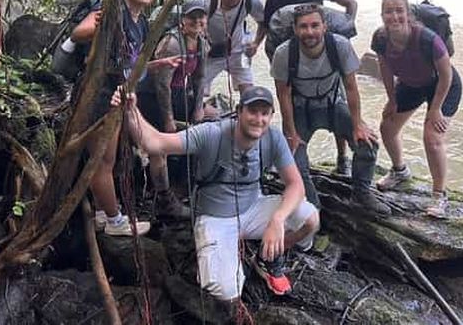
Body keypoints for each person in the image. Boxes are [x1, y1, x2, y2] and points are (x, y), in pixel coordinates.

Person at [113, 85, 320, 306]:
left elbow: (296, 185)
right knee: (225, 292)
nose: (258, 119)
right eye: (252, 111)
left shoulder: (273, 138)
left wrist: (277, 220)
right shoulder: (211, 134)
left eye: (264, 113)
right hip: (215, 217)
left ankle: (268, 256)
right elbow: (155, 142)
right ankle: (224, 256)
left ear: (271, 116)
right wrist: (130, 110)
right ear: (239, 111)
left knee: (310, 219)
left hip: (254, 208)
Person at [71, 0, 181, 235]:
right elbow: (78, 33)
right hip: (100, 96)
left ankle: (99, 213)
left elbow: (133, 64)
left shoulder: (141, 22)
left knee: (107, 160)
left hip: (118, 95)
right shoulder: (114, 12)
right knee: (102, 161)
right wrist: (104, 26)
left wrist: (158, 63)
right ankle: (115, 221)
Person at [271, 4, 389, 215]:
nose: (309, 32)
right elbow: (283, 95)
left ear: (325, 26)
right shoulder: (284, 53)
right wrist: (290, 133)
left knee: (367, 145)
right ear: (295, 29)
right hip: (300, 110)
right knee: (292, 161)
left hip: (333, 104)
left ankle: (360, 194)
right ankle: (312, 207)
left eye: (315, 25)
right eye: (303, 27)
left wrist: (357, 124)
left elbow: (351, 88)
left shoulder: (339, 46)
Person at [263, 0, 358, 177]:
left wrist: (347, 26)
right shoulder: (274, 0)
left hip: (325, 56)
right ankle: (295, 153)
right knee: (294, 107)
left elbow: (350, 2)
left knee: (336, 101)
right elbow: (268, 30)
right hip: (294, 63)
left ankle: (342, 157)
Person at [371, 0, 463, 218]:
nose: (394, 16)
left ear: (408, 14)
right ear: (382, 15)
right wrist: (392, 99)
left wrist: (435, 109)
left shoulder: (428, 39)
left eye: (399, 11)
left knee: (432, 138)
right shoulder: (381, 39)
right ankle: (400, 171)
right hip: (410, 84)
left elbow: (446, 74)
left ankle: (439, 196)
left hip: (442, 85)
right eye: (388, 12)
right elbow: (384, 68)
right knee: (388, 126)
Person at [138, 0, 209, 220]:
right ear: (182, 22)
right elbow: (161, 85)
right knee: (161, 144)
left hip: (178, 92)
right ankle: (163, 197)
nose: (197, 21)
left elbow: (199, 78)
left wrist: (198, 108)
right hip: (151, 95)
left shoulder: (202, 45)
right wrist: (168, 119)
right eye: (192, 18)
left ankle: (185, 186)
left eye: (201, 17)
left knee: (196, 131)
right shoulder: (172, 44)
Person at [196, 0, 266, 95]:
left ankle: (245, 114)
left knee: (248, 92)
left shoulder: (251, 0)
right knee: (198, 93)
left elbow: (263, 22)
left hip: (239, 52)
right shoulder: (207, 1)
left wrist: (256, 43)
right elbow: (193, 25)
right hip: (210, 53)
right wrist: (202, 39)